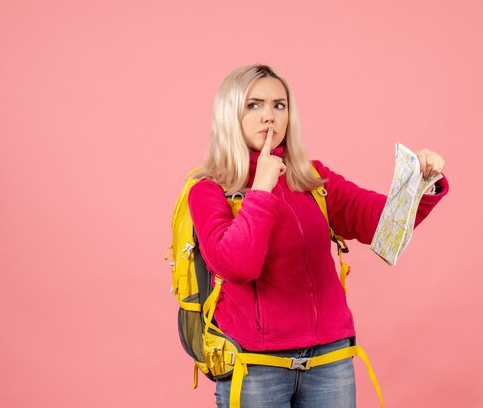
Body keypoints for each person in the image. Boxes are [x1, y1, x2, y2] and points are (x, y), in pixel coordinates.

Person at [187, 64, 448, 408]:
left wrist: (419, 184)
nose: (269, 116)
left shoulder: (312, 178)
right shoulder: (208, 190)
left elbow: (380, 225)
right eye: (254, 105)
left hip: (329, 361)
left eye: (279, 106)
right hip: (255, 366)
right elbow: (237, 266)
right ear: (229, 113)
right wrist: (262, 188)